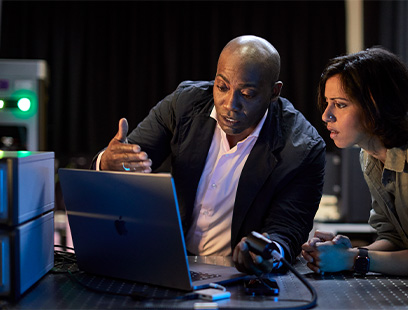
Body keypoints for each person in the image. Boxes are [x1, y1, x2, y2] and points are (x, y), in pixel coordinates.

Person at [92, 35, 326, 275]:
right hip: (170, 263)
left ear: (274, 92)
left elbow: (287, 230)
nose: (229, 104)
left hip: (239, 276)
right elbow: (130, 159)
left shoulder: (302, 148)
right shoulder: (184, 104)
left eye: (246, 94)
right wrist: (108, 162)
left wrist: (269, 251)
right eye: (222, 87)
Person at [301, 47, 408, 286]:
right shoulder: (370, 154)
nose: (326, 115)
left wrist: (355, 259)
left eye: (340, 104)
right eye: (327, 103)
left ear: (375, 105)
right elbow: (394, 238)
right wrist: (344, 254)